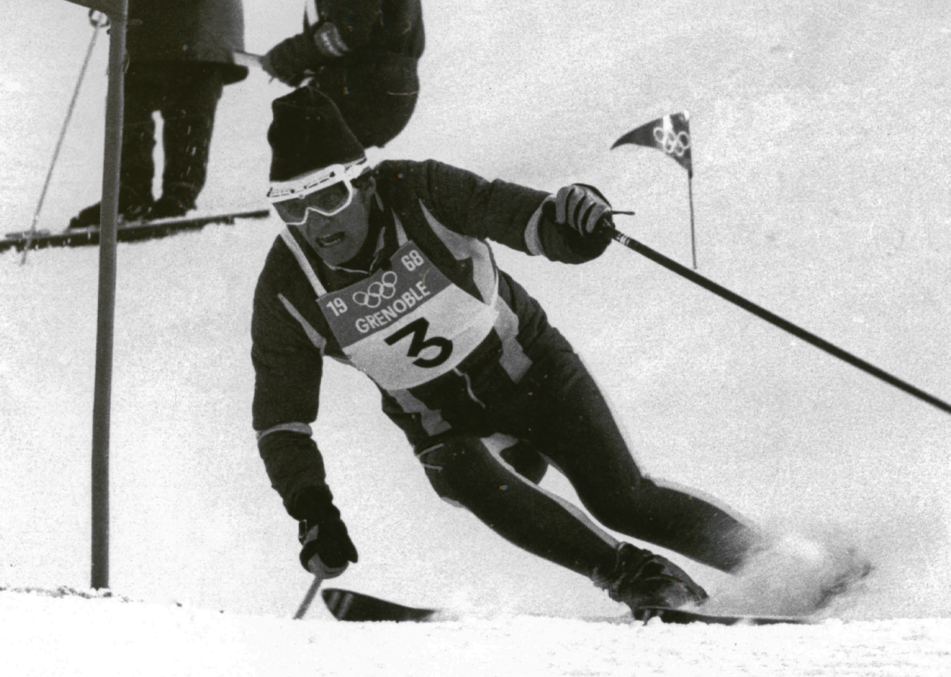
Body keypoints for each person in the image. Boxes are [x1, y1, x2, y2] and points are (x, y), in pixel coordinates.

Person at [250, 88, 862, 619]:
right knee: (458, 467)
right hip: (447, 426)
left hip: (536, 376)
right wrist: (312, 509)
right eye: (292, 207)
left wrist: (577, 214)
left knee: (621, 498)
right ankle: (640, 578)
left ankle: (787, 569)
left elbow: (529, 218)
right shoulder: (289, 287)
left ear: (362, 181)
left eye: (328, 197)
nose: (314, 222)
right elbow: (281, 419)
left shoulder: (421, 191)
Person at [69, 0, 249, 229]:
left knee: (185, 105)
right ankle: (136, 192)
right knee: (130, 104)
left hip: (199, 26)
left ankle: (176, 192)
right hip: (153, 26)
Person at [259, 0, 424, 149]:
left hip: (364, 84)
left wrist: (284, 58)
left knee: (297, 156)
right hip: (391, 87)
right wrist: (301, 69)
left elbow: (345, 33)